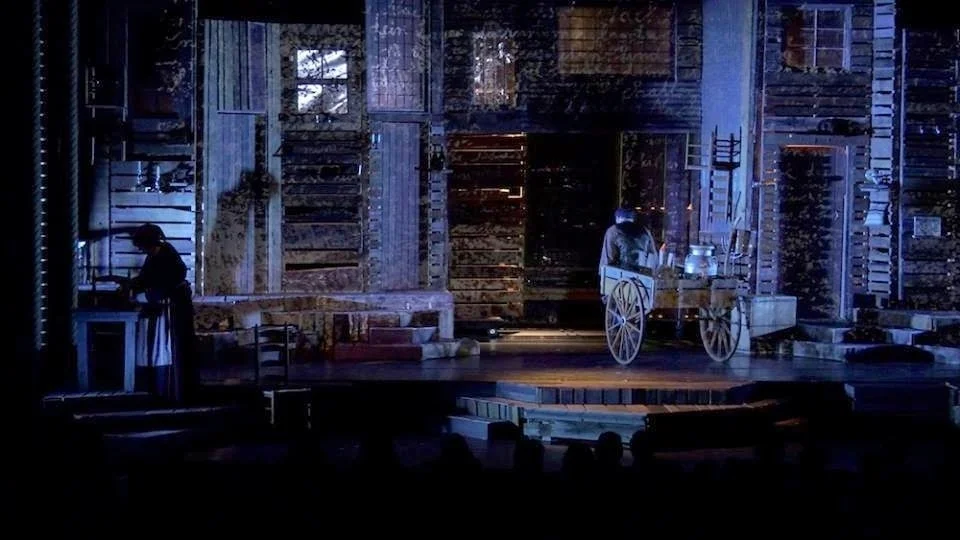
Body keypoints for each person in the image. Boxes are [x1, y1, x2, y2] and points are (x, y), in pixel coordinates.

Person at [129, 223, 195, 403]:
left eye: (143, 246)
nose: (142, 250)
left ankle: (173, 391)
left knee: (172, 350)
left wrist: (151, 294)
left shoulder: (168, 257)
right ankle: (160, 389)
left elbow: (171, 280)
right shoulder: (153, 256)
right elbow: (146, 278)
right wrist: (131, 284)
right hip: (163, 309)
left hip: (174, 310)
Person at [599, 206, 658, 273]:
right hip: (642, 275)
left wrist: (602, 273)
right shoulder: (645, 231)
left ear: (618, 217)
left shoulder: (613, 231)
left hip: (621, 275)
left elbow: (608, 258)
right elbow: (653, 257)